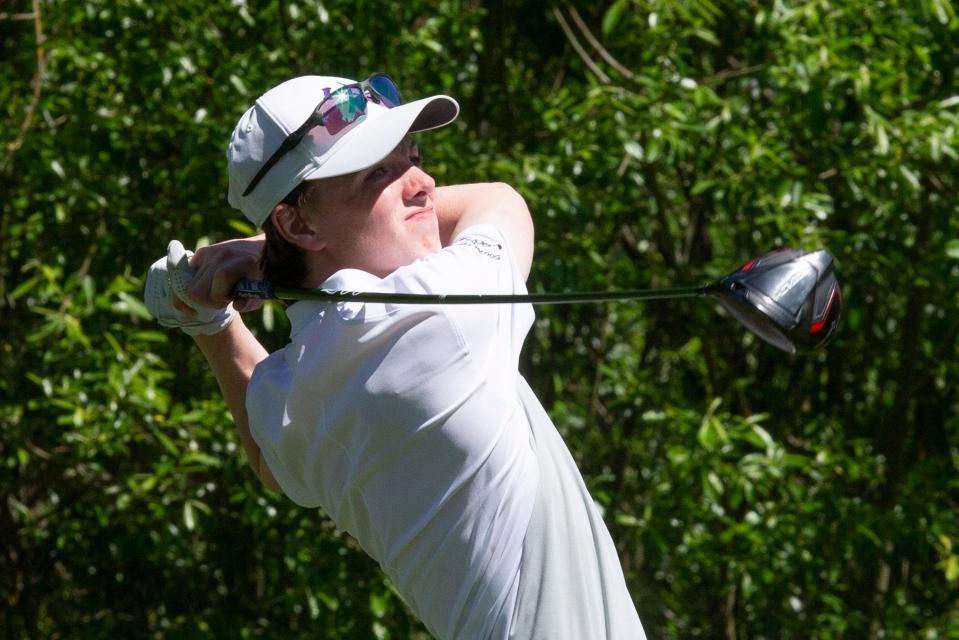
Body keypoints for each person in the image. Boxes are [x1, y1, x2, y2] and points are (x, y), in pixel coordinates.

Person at [145, 72, 645, 639]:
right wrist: (264, 254)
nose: (424, 183)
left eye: (413, 156)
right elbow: (498, 199)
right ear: (299, 221)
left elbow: (267, 459)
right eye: (377, 173)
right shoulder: (440, 313)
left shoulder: (293, 388)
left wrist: (207, 321)